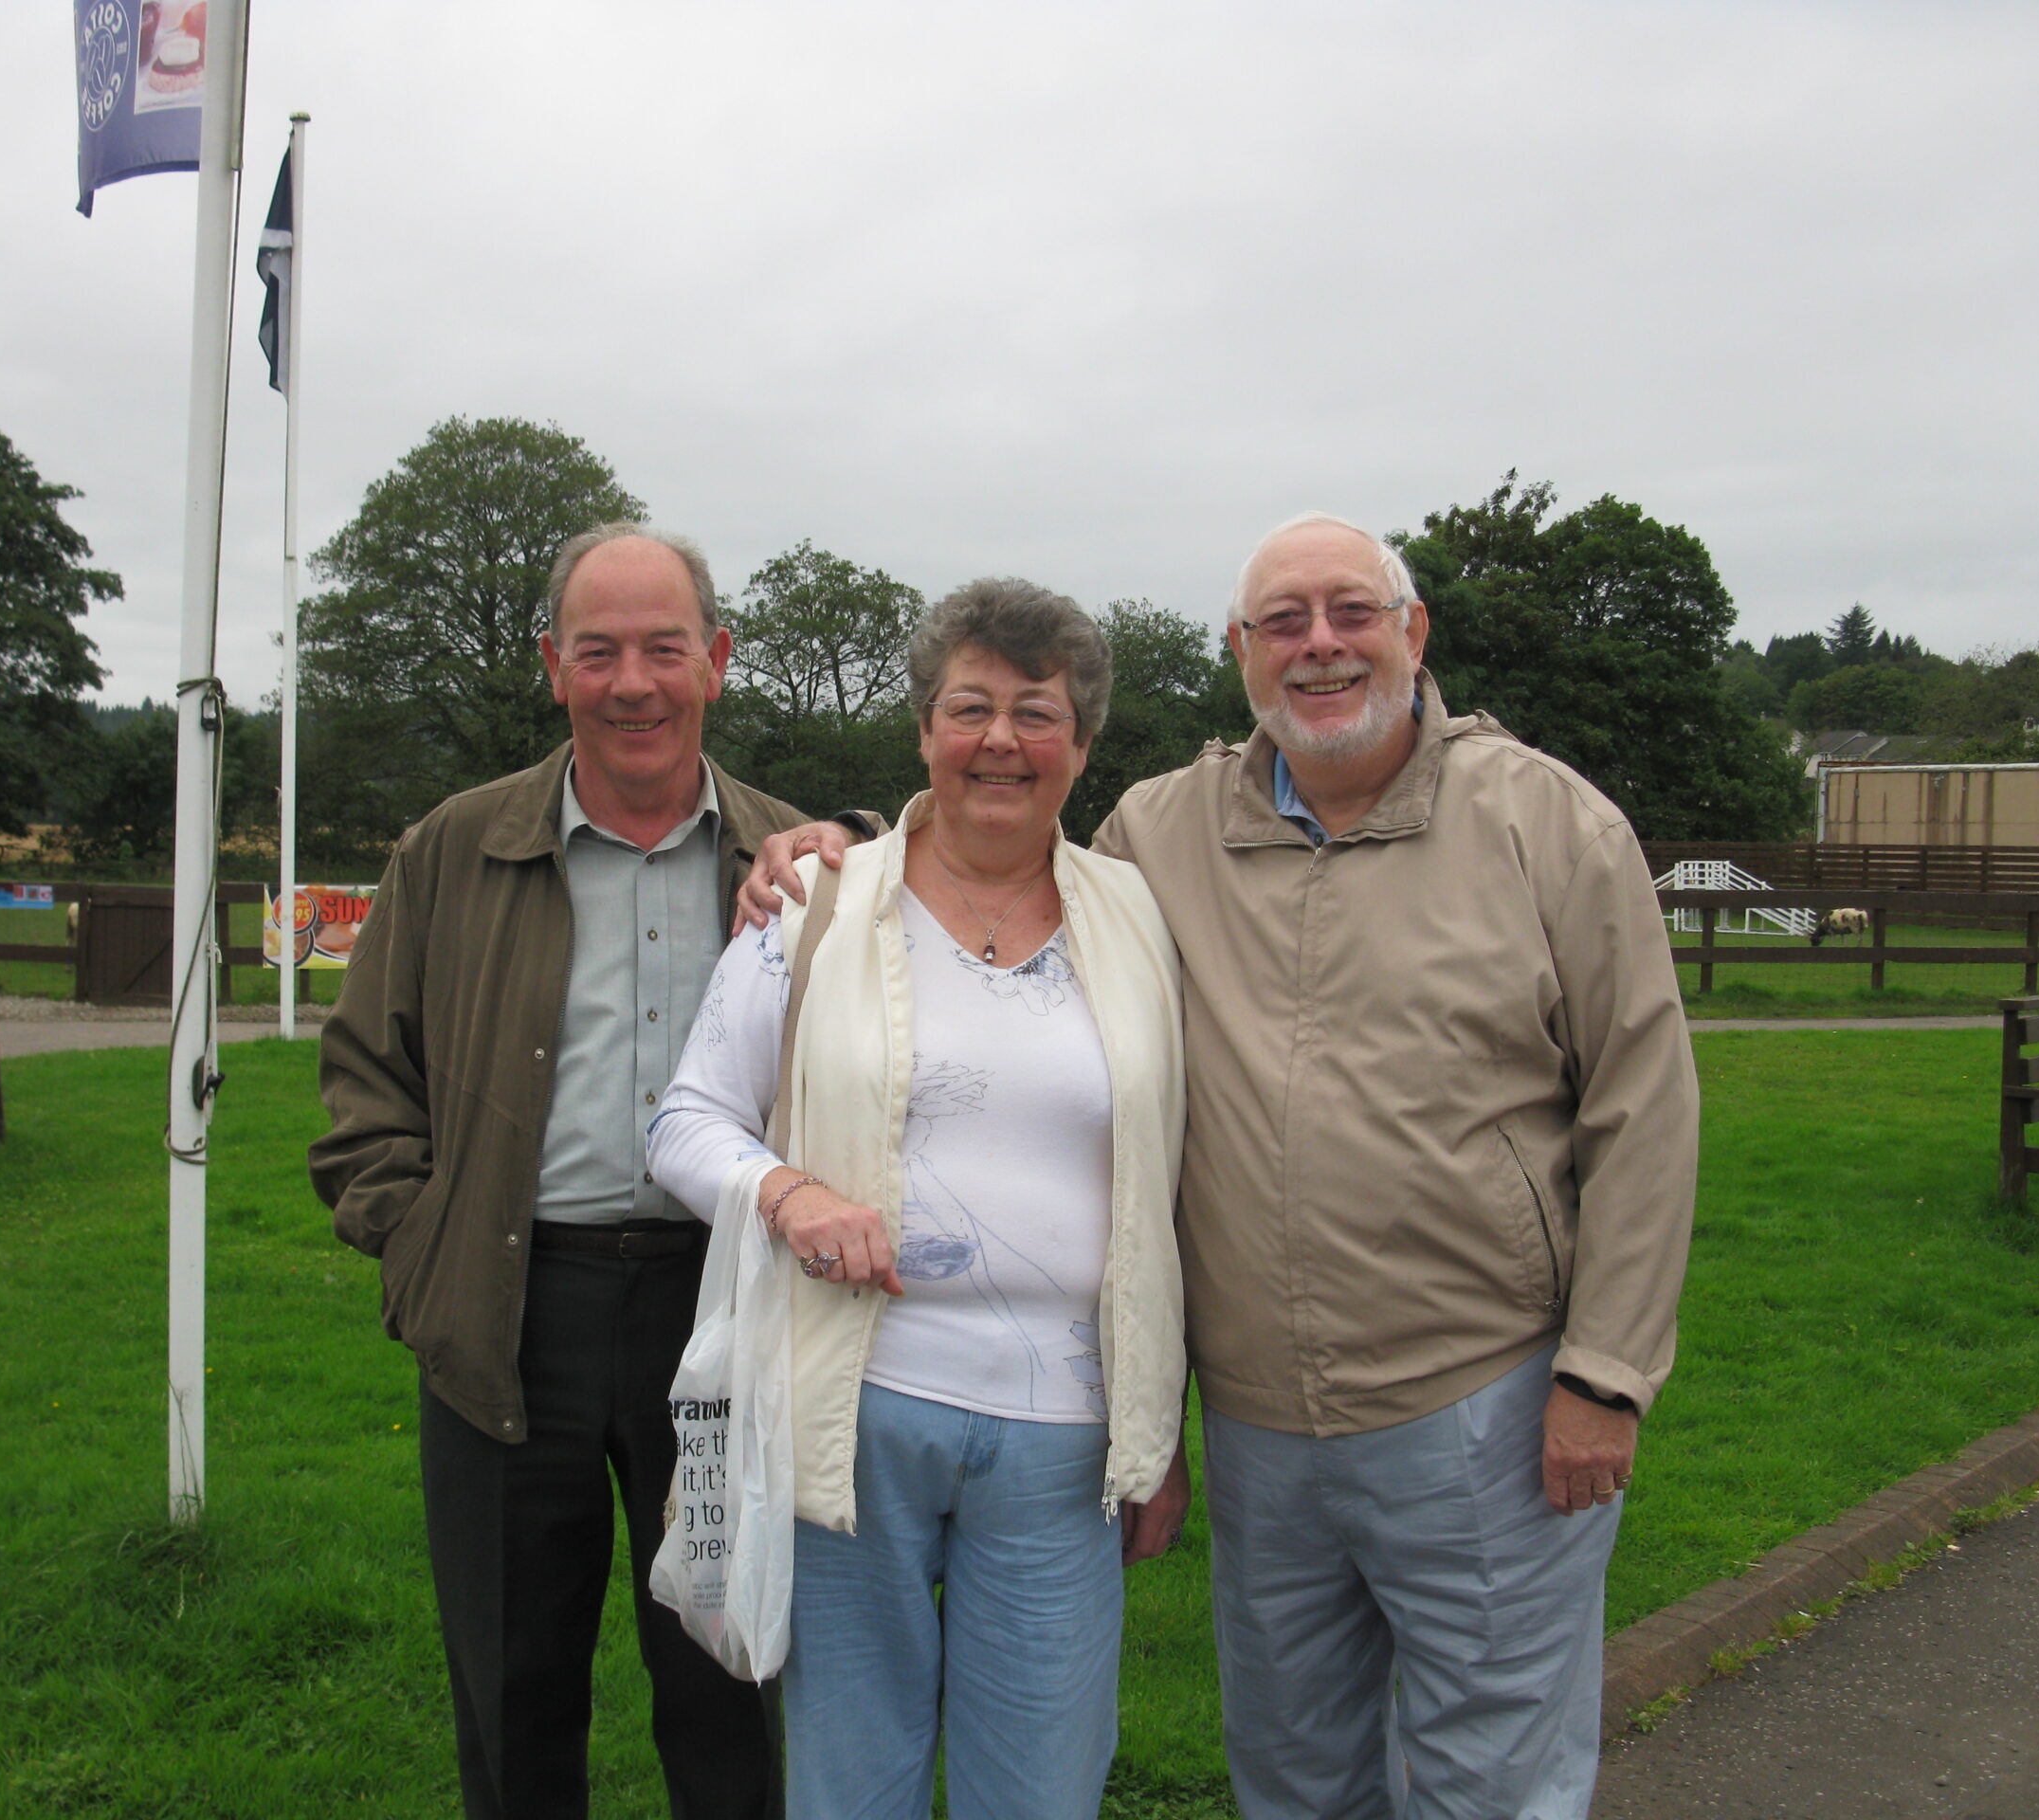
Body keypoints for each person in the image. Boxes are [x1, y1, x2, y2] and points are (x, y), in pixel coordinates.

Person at [740, 514, 1698, 1819]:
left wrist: (1607, 1374)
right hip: (1259, 1426)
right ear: (1240, 650)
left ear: (1414, 633)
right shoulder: (1165, 831)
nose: (1320, 646)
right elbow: (999, 839)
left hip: (1481, 1399)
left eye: (1352, 613)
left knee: (1494, 1777)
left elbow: (1645, 1107)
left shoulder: (1547, 823)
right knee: (1295, 1773)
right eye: (1283, 623)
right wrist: (847, 836)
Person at [311, 524, 877, 1820]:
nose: (633, 683)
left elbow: (954, 857)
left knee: (726, 1680)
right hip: (510, 1315)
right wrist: (423, 1250)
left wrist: (850, 825)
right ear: (552, 665)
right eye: (598, 650)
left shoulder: (803, 866)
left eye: (664, 649)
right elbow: (363, 1082)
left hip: (725, 1313)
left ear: (716, 662)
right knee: (515, 1695)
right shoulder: (454, 849)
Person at [646, 578, 1191, 1820]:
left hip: (1064, 1440)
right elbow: (686, 1123)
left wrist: (1159, 1435)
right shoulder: (816, 905)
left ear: (1081, 745)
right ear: (924, 730)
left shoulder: (1138, 916)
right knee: (853, 1782)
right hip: (853, 1424)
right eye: (969, 708)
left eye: (1036, 713)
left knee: (1042, 1789)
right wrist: (786, 1193)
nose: (1001, 740)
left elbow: (1169, 1183)